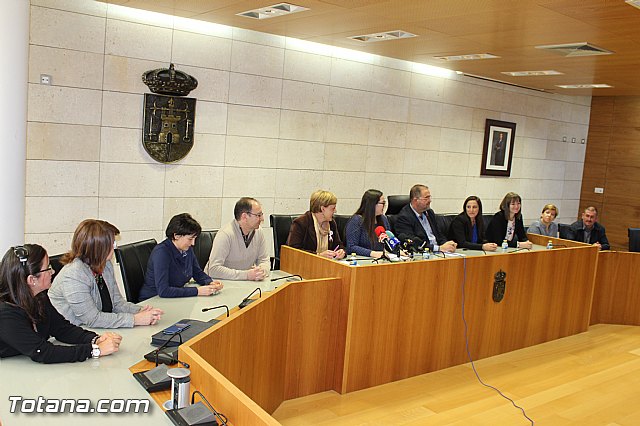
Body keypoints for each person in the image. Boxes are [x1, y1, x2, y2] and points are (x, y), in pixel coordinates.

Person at [0, 244, 121, 363]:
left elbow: (62, 329)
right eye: (48, 268)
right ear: (32, 280)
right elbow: (43, 352)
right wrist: (94, 350)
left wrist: (95, 339)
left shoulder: (39, 296)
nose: (52, 271)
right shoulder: (6, 314)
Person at [49, 219, 163, 328]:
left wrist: (140, 311)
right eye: (112, 243)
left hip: (96, 329)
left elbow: (117, 303)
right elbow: (92, 319)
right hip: (73, 332)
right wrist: (135, 319)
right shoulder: (73, 274)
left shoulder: (105, 264)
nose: (115, 247)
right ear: (98, 247)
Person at [139, 213, 223, 300]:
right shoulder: (161, 252)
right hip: (153, 300)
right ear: (176, 236)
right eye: (190, 239)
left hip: (174, 298)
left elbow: (197, 272)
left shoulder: (186, 248)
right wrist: (197, 291)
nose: (193, 243)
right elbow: (164, 291)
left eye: (195, 238)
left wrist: (210, 282)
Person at [206, 197, 271, 281]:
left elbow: (264, 260)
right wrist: (246, 275)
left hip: (244, 283)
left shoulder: (259, 232)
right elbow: (213, 269)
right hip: (220, 283)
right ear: (244, 217)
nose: (262, 219)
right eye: (258, 215)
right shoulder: (225, 234)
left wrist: (262, 271)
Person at [394, 184, 457, 253]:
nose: (430, 201)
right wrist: (438, 248)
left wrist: (448, 244)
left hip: (440, 252)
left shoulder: (429, 212)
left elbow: (439, 234)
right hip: (423, 253)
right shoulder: (404, 218)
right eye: (426, 198)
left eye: (430, 197)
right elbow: (413, 243)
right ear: (415, 200)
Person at [287, 190, 346, 259]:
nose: (335, 211)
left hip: (326, 264)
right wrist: (318, 255)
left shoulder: (331, 223)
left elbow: (338, 244)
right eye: (333, 208)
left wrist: (341, 251)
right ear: (323, 209)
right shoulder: (301, 223)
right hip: (304, 264)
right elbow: (293, 251)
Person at [345, 189, 390, 259]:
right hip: (362, 259)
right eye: (382, 203)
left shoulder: (383, 219)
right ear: (372, 204)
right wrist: (373, 253)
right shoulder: (357, 220)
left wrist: (397, 250)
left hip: (381, 259)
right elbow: (351, 247)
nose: (384, 206)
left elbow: (388, 241)